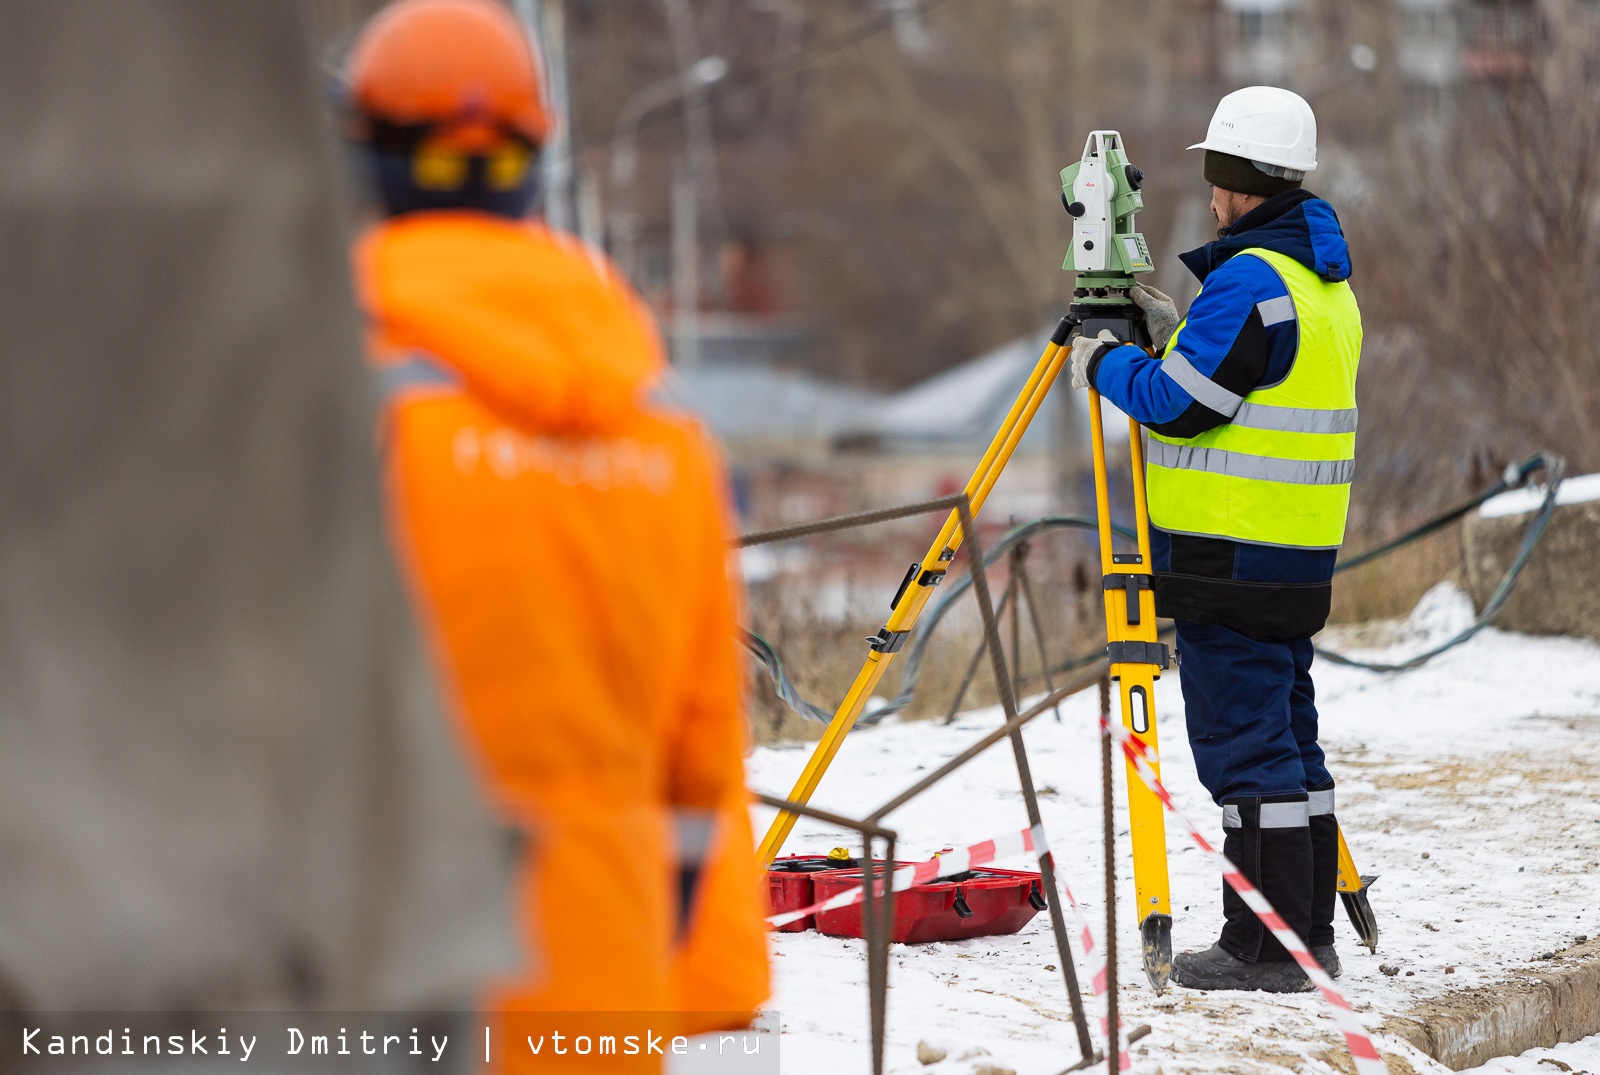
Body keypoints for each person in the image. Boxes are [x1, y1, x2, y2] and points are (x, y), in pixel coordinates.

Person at [340, 0, 769, 1058]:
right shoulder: (662, 422)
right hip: (604, 972)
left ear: (363, 155)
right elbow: (703, 739)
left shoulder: (320, 386)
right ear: (535, 156)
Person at [1069, 86, 1362, 992]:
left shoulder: (1248, 280)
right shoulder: (1321, 283)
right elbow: (1248, 384)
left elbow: (1181, 404)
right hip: (1292, 558)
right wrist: (1175, 329)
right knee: (1290, 747)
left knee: (1248, 754)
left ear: (1235, 181)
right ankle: (1307, 936)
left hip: (1226, 562)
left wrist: (1106, 359)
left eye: (1214, 178)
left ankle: (1266, 948)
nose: (1207, 197)